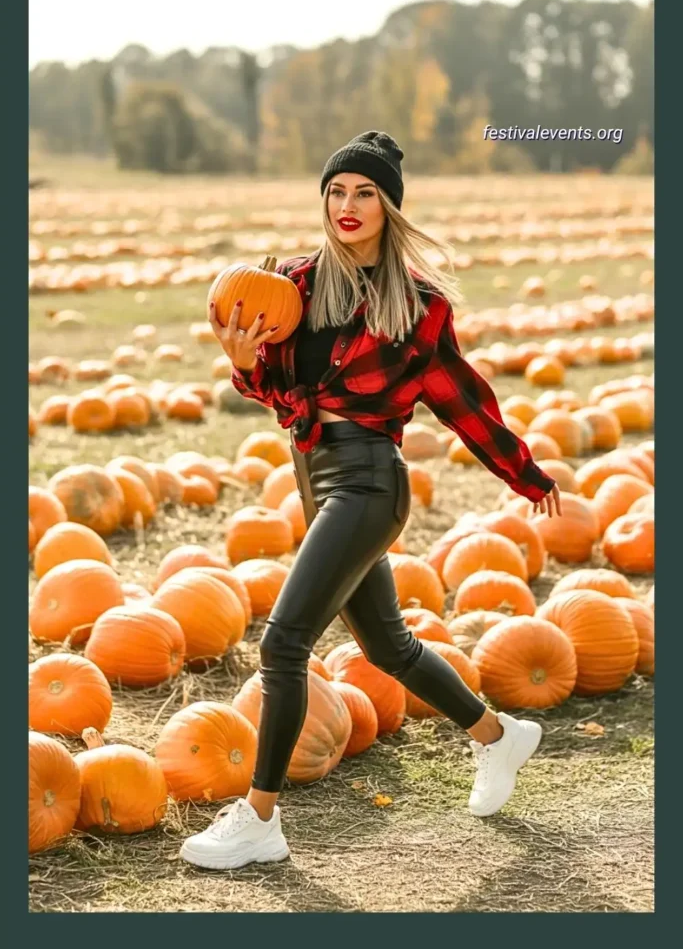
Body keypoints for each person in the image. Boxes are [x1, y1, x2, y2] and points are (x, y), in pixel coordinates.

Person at [180, 131, 562, 871]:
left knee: (283, 644)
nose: (347, 206)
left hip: (367, 482)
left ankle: (259, 820)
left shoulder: (415, 304)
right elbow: (279, 395)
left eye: (363, 193)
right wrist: (241, 365)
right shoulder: (289, 285)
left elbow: (460, 400)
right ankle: (497, 736)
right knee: (388, 646)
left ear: (387, 207)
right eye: (335, 191)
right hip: (311, 471)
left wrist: (524, 473)